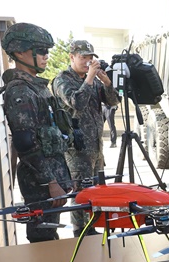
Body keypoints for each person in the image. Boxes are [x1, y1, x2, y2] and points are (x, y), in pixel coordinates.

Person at [0, 23, 71, 243]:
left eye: (47, 51)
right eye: (40, 51)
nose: (45, 56)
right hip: (39, 182)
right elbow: (25, 143)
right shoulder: (20, 90)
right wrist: (51, 182)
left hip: (51, 177)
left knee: (50, 233)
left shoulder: (37, 87)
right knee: (42, 238)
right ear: (20, 51)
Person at [53, 40, 120, 237]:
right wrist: (90, 78)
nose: (88, 62)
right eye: (83, 57)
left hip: (96, 146)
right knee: (81, 192)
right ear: (72, 57)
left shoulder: (93, 81)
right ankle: (80, 232)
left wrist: (106, 82)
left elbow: (114, 100)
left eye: (90, 58)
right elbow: (77, 103)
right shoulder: (62, 80)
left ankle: (91, 228)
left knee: (96, 190)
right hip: (77, 147)